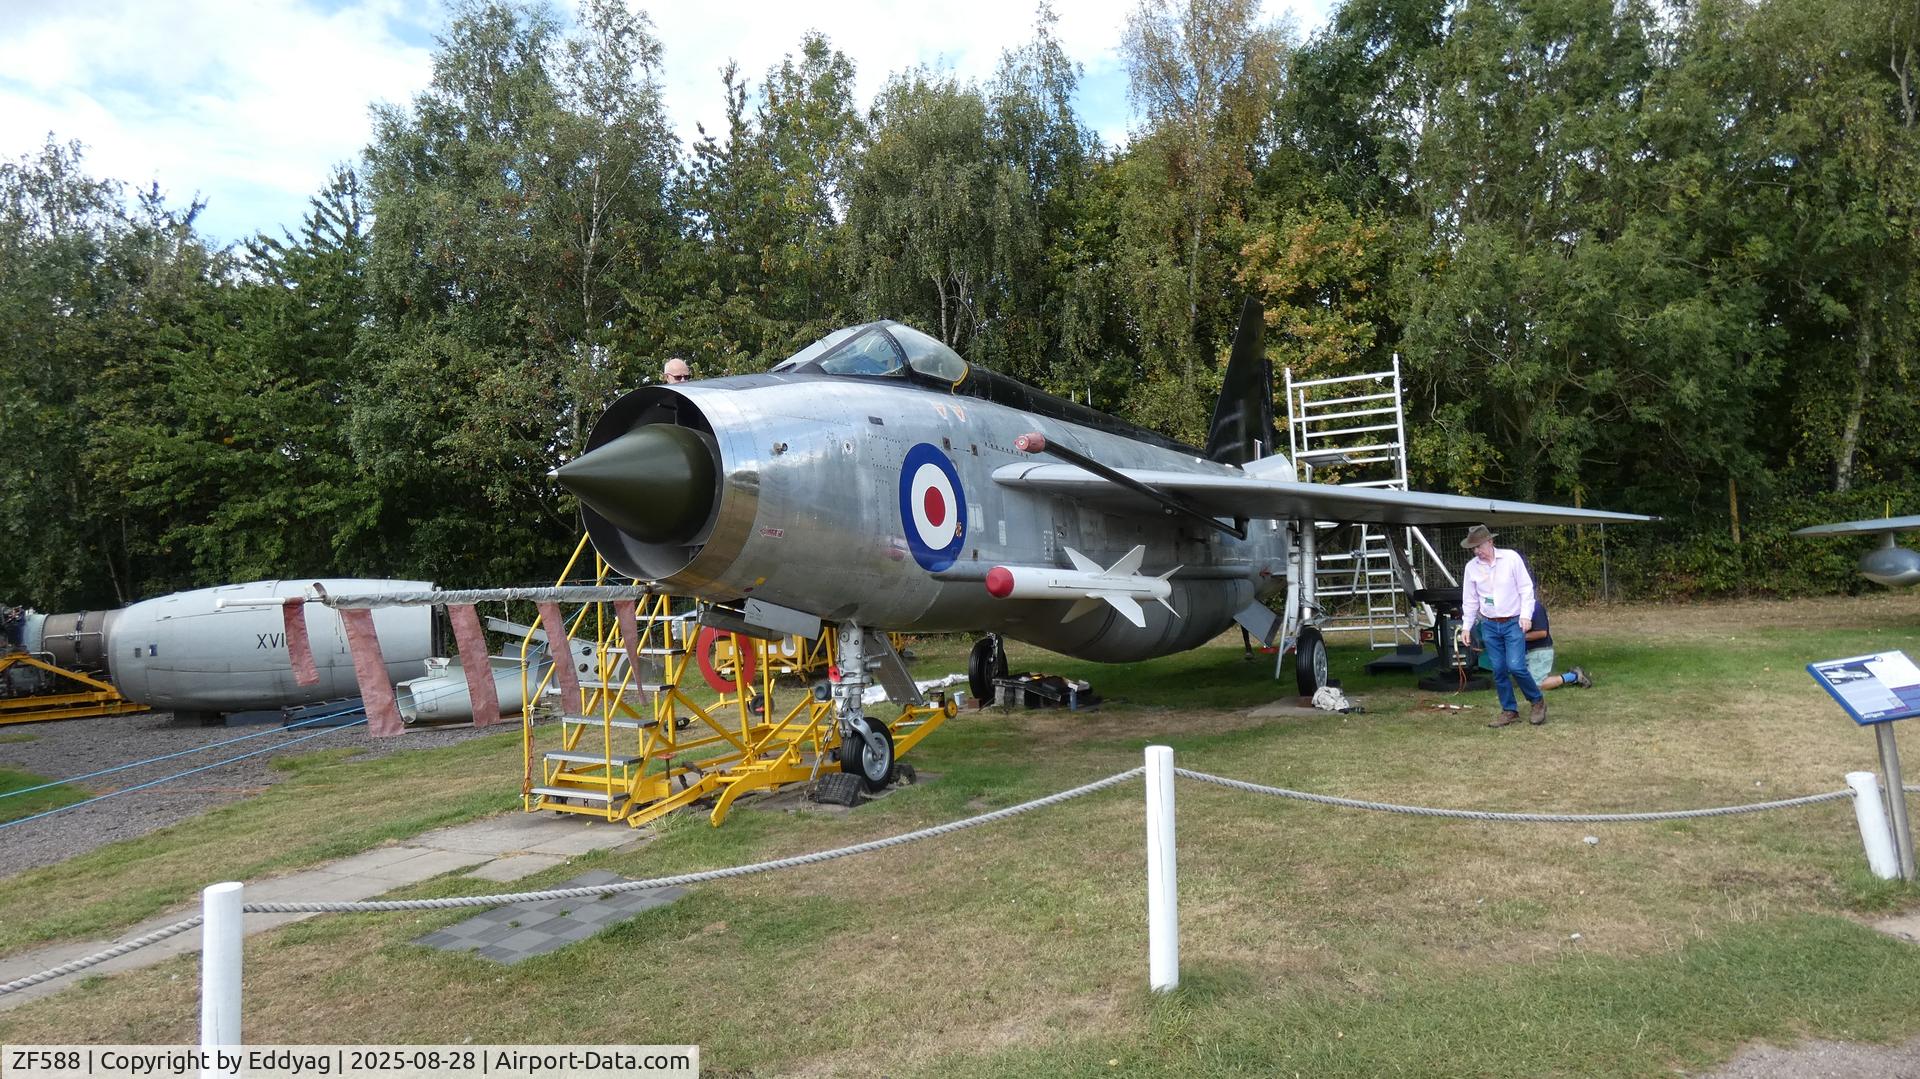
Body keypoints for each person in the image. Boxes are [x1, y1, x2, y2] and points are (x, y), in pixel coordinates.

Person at [1457, 524, 1546, 728]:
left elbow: (1526, 589)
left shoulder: (1511, 558)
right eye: (1473, 548)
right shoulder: (1471, 568)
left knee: (1516, 666)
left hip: (1513, 622)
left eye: (1479, 546)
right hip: (1489, 624)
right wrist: (1466, 627)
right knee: (1498, 669)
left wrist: (1526, 616)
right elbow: (1470, 600)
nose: (1476, 551)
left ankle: (1537, 701)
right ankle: (1509, 710)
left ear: (1490, 542)